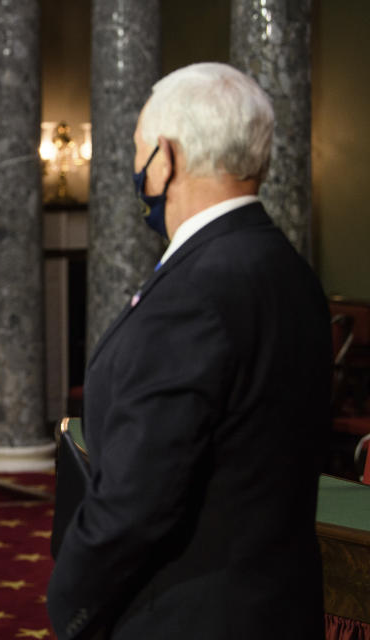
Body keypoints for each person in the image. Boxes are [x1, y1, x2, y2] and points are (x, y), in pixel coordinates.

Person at [46, 63, 329, 639]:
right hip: (276, 607)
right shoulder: (290, 270)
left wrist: (69, 601)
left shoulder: (194, 293)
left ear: (165, 157)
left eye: (135, 150)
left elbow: (136, 501)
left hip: (186, 615)